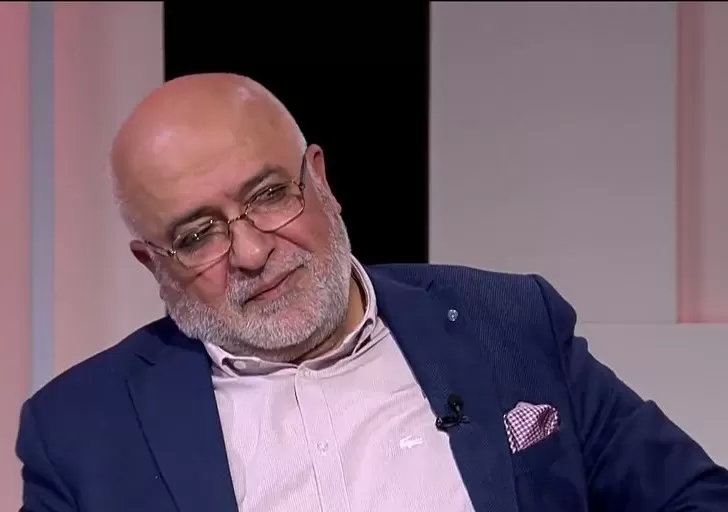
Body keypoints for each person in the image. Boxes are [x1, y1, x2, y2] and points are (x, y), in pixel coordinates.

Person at [15, 73, 728, 512]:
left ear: (320, 179)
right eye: (199, 234)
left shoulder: (509, 324)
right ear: (153, 263)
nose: (254, 253)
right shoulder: (81, 431)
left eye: (270, 195)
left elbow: (694, 497)